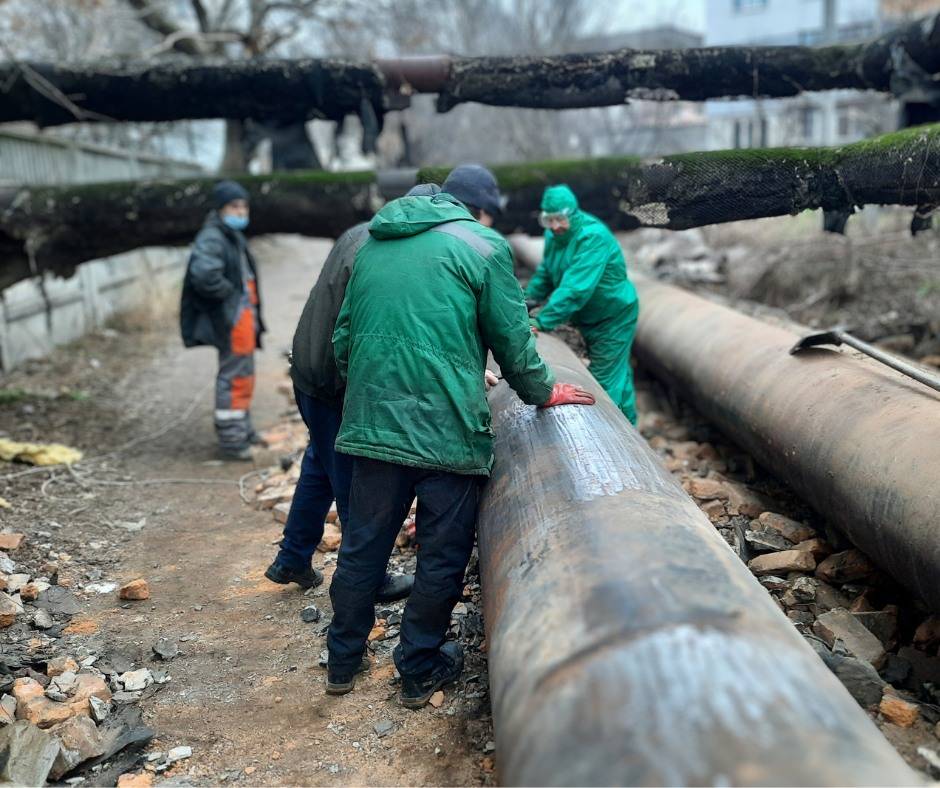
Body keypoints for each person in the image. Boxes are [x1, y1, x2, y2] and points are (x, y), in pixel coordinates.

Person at [325, 165, 595, 707]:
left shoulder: (374, 244)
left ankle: (342, 661)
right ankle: (419, 667)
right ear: (476, 208)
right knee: (441, 555)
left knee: (362, 546)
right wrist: (542, 392)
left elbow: (344, 340)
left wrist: (383, 389)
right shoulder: (482, 246)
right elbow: (512, 338)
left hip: (373, 421)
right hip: (445, 431)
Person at [263, 185, 445, 600]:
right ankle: (366, 580)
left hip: (307, 369)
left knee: (319, 464)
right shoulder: (385, 250)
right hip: (333, 379)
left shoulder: (357, 233)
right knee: (352, 479)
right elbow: (385, 331)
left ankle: (292, 556)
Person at [525, 184, 640, 425]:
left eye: (560, 219)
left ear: (573, 213)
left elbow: (576, 290)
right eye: (549, 221)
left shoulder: (592, 237)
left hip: (612, 317)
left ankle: (612, 436)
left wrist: (542, 320)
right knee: (619, 374)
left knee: (604, 382)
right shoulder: (554, 236)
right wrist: (526, 302)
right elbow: (547, 272)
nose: (555, 226)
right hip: (587, 316)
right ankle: (631, 427)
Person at [181, 180, 266, 460]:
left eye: (243, 206)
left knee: (244, 374)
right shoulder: (213, 237)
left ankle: (242, 430)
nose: (241, 211)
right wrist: (230, 297)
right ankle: (232, 441)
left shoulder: (230, 234)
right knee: (233, 377)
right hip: (233, 318)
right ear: (219, 209)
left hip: (242, 317)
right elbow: (204, 275)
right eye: (234, 206)